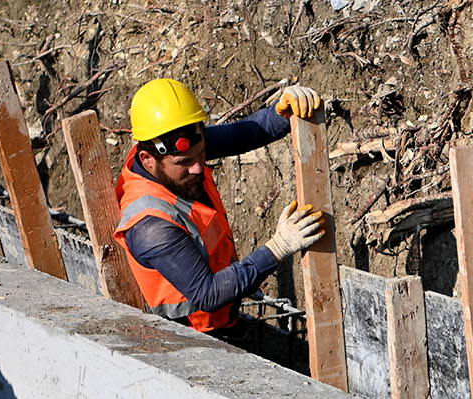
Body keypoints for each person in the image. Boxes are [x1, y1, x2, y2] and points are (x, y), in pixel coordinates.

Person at [115, 77, 327, 349]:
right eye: (184, 163)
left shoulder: (172, 147)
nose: (197, 168)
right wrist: (279, 247)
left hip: (224, 317)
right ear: (148, 159)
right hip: (193, 341)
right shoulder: (150, 226)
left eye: (201, 153)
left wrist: (282, 113)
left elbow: (242, 134)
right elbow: (209, 293)